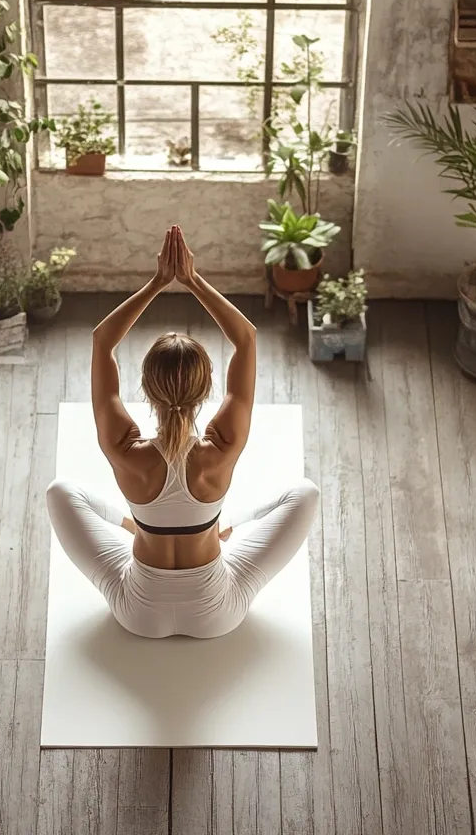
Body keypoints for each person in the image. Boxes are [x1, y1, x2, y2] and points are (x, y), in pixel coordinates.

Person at [46, 225, 319, 639]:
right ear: (208, 385)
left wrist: (158, 282)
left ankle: (136, 525)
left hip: (138, 614)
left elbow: (103, 341)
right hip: (217, 615)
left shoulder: (124, 448)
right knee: (306, 493)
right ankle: (224, 528)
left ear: (146, 386)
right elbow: (245, 338)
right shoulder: (222, 447)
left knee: (60, 491)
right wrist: (192, 280)